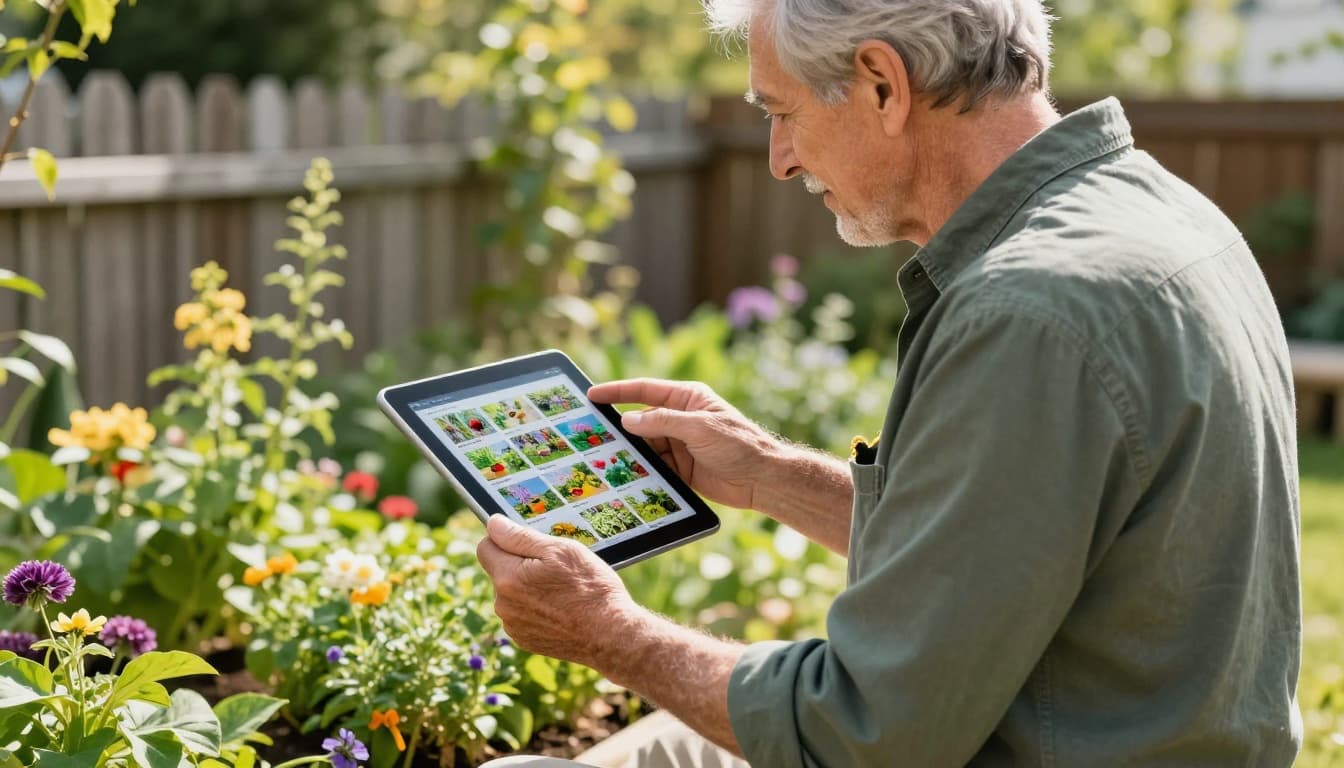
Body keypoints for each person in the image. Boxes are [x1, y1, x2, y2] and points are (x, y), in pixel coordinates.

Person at [476, 0, 1303, 765]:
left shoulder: (1026, 310)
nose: (779, 159)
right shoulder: (1162, 214)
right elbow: (1008, 546)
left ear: (882, 85)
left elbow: (865, 732)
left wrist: (611, 633)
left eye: (780, 112)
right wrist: (771, 474)